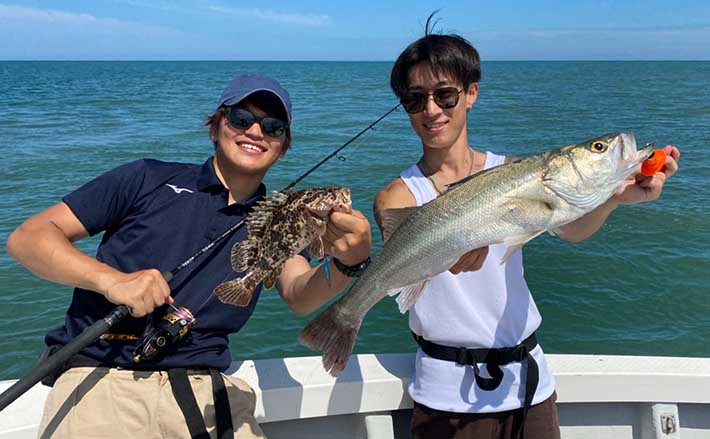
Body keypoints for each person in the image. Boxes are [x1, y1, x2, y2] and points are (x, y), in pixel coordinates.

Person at [7, 74, 372, 439]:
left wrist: (348, 263)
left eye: (273, 127)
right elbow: (29, 238)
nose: (256, 132)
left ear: (283, 146)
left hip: (208, 389)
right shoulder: (146, 179)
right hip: (104, 378)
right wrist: (112, 281)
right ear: (216, 127)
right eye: (242, 119)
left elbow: (297, 293)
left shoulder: (279, 216)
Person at [373, 18, 681, 439]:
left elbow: (569, 229)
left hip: (530, 388)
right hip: (447, 397)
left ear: (471, 94)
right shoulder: (398, 197)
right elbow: (409, 273)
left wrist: (614, 197)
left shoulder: (514, 171)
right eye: (415, 99)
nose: (432, 110)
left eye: (445, 95)